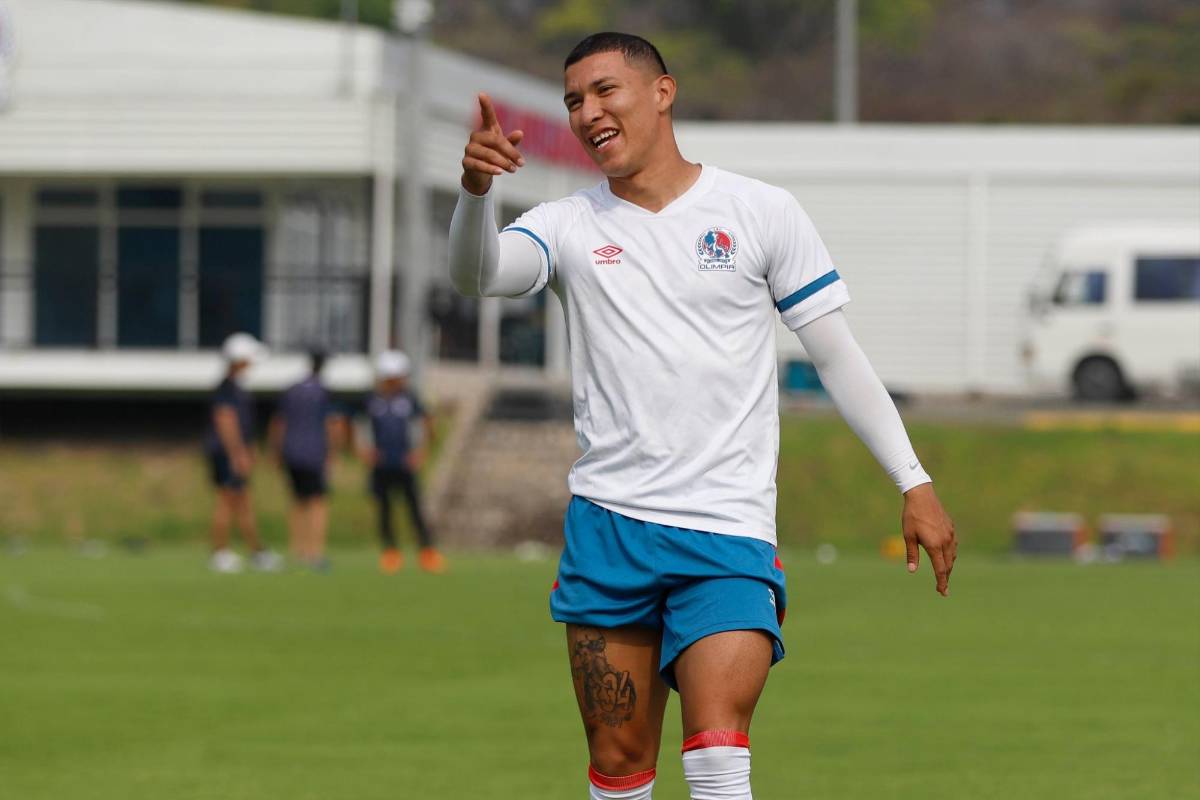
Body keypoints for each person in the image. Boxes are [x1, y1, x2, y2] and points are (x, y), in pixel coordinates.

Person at [447, 32, 958, 799]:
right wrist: (474, 194)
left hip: (727, 532)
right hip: (609, 531)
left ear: (663, 92)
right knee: (620, 767)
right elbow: (479, 276)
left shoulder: (761, 211)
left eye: (605, 91)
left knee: (719, 752)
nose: (589, 112)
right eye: (574, 101)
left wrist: (912, 479)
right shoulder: (565, 225)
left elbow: (836, 355)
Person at [357, 350, 443, 574]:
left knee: (414, 509)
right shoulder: (372, 400)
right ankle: (391, 553)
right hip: (381, 464)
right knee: (384, 509)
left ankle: (427, 552)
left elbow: (424, 424)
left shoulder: (409, 398)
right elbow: (360, 426)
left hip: (405, 463)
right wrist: (365, 451)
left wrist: (420, 451)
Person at [205, 332, 282, 574]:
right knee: (227, 500)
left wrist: (248, 449)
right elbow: (225, 420)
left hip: (235, 452)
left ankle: (256, 550)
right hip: (226, 453)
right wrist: (237, 452)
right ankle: (220, 552)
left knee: (243, 501)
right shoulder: (227, 388)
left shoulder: (238, 387)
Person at [269, 349, 339, 571]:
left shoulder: (292, 390)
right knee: (317, 502)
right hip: (314, 452)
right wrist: (333, 454)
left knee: (297, 501)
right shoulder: (323, 392)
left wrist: (277, 451)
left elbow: (279, 422)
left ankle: (297, 549)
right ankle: (314, 551)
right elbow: (331, 424)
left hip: (291, 451)